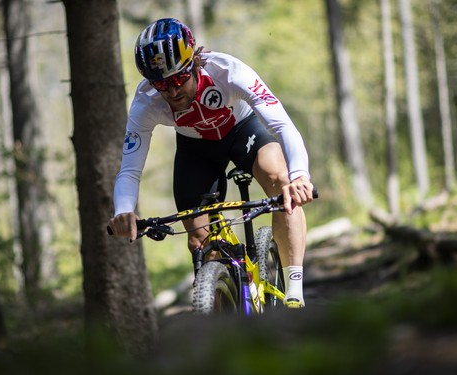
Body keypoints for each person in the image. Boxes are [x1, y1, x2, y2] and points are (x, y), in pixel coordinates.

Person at [108, 18, 314, 308]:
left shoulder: (228, 72)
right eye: (162, 84)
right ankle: (220, 330)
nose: (172, 92)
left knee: (279, 179)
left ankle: (295, 291)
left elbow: (283, 126)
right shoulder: (146, 102)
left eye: (178, 79)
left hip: (242, 130)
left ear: (194, 63)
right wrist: (124, 211)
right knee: (200, 242)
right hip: (196, 149)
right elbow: (130, 169)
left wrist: (300, 177)